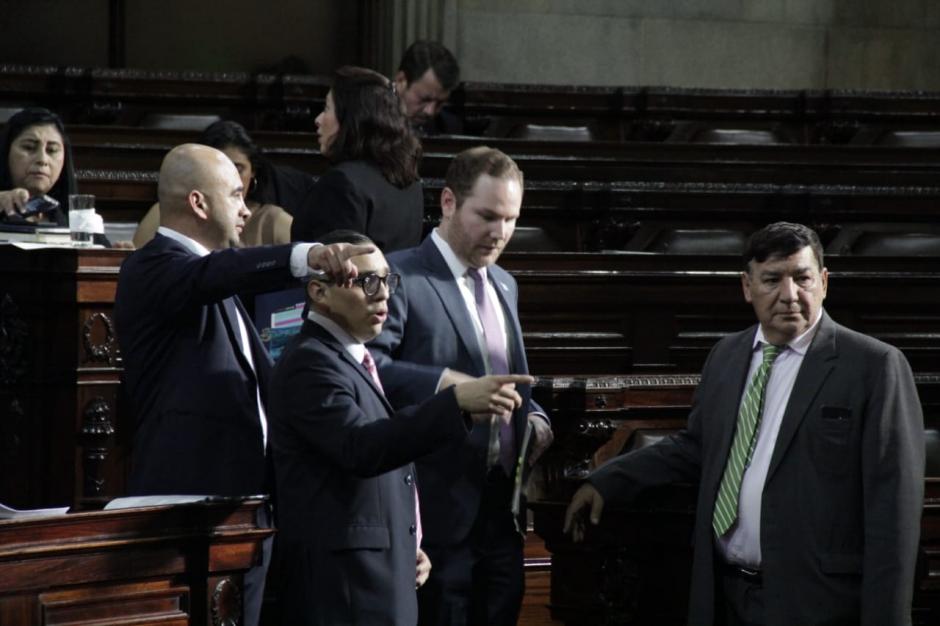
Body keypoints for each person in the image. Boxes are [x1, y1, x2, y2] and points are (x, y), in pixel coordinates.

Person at [564, 221, 925, 626]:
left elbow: (893, 512)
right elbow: (697, 448)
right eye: (772, 279)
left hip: (821, 603)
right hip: (725, 595)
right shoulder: (727, 355)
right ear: (747, 287)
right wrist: (606, 479)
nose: (790, 295)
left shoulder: (874, 366)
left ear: (823, 281)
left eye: (802, 278)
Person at [114, 144, 375, 626]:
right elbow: (215, 274)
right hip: (189, 510)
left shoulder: (213, 280)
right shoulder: (152, 267)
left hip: (244, 512)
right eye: (235, 194)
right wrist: (308, 254)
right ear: (198, 203)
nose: (246, 208)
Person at [269, 229, 535, 626]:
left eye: (387, 280)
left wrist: (404, 544)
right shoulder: (311, 362)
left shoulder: (350, 359)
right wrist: (455, 402)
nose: (383, 295)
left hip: (378, 576)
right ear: (319, 292)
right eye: (366, 281)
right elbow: (362, 447)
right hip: (343, 592)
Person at [368, 147, 553, 626]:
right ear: (448, 202)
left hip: (502, 511)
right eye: (487, 216)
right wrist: (448, 387)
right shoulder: (400, 274)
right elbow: (368, 369)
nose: (500, 232)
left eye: (511, 219)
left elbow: (506, 370)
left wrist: (534, 417)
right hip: (434, 512)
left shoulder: (505, 284)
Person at [291, 66, 423, 253]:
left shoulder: (342, 183)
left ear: (351, 118)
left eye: (327, 108)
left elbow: (335, 271)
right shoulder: (412, 182)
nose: (318, 119)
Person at [132, 120, 300, 248]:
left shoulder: (274, 221)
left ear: (253, 171)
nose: (231, 178)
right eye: (221, 170)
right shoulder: (167, 212)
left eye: (238, 168)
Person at [0, 107, 76, 225]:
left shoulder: (78, 219)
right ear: (6, 152)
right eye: (29, 147)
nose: (42, 159)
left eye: (52, 150)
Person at [393, 40, 461, 134]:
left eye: (440, 103)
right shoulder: (370, 121)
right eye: (425, 99)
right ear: (401, 80)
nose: (430, 112)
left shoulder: (448, 128)